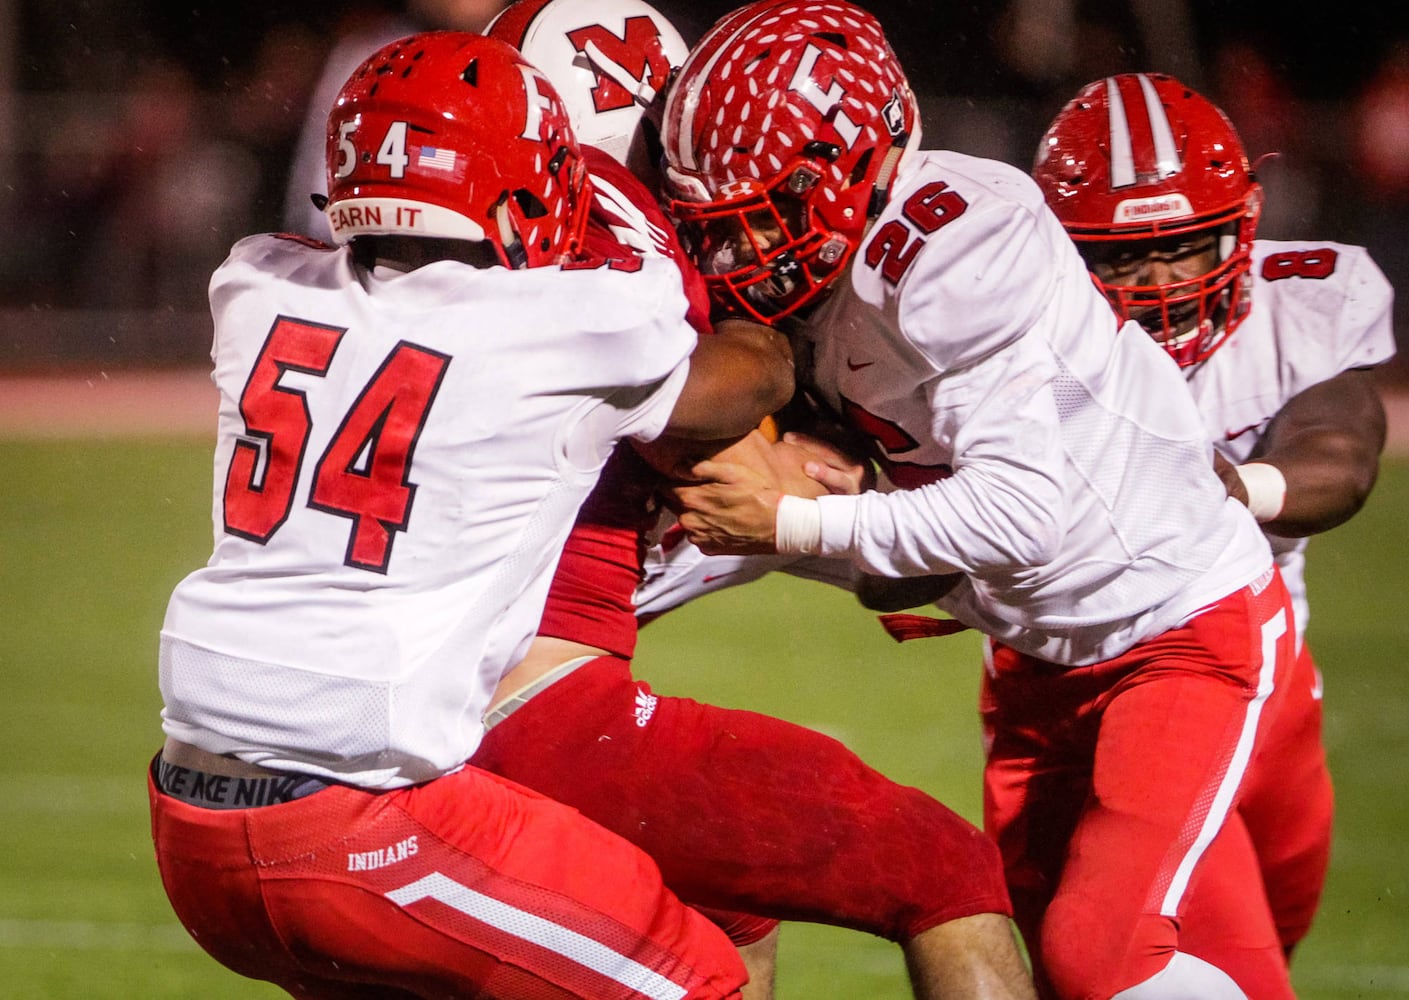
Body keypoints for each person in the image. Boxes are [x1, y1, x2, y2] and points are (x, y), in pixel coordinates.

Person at [656, 2, 1306, 997]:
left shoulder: (954, 243)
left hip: (1175, 628)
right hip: (1033, 663)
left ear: (866, 153)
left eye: (775, 202)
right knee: (1054, 966)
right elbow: (858, 532)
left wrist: (790, 520)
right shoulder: (810, 280)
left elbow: (1014, 515)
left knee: (1099, 957)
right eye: (720, 219)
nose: (745, 247)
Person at [147, 32, 798, 999]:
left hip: (186, 818)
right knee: (696, 974)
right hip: (356, 817)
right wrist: (749, 310)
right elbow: (739, 386)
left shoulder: (255, 284)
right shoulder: (570, 324)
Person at [468, 3, 1037, 998]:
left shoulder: (438, 279)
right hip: (529, 706)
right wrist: (786, 405)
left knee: (721, 906)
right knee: (941, 868)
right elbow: (739, 426)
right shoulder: (621, 271)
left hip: (381, 706)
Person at [1031, 72, 1396, 961]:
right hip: (1074, 687)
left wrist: (1216, 489)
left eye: (1184, 247)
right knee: (1131, 959)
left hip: (1267, 678)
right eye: (1121, 256)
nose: (1157, 280)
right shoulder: (1003, 333)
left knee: (1269, 944)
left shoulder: (1305, 302)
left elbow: (1340, 461)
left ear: (1240, 228)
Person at [282, 0, 513, 240]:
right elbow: (320, 210)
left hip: (503, 257)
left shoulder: (531, 45)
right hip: (386, 257)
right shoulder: (374, 56)